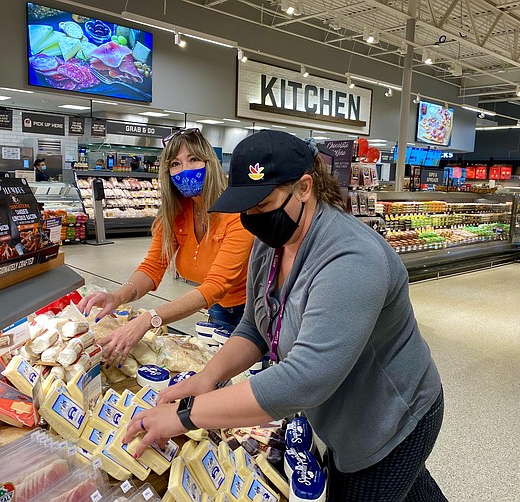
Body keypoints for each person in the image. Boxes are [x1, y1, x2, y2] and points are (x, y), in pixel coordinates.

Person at [123, 130, 446, 501]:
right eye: (246, 206)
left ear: (305, 187)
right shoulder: (272, 242)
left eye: (263, 204)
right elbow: (256, 326)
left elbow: (306, 378)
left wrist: (186, 416)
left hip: (388, 419)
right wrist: (207, 378)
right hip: (344, 410)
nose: (252, 218)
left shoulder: (351, 259)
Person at [79, 128, 254, 367]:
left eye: (193, 159)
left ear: (209, 162)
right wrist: (117, 296)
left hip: (252, 309)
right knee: (218, 369)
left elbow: (216, 285)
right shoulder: (175, 213)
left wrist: (149, 319)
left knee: (247, 373)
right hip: (218, 308)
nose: (185, 170)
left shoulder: (236, 213)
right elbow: (153, 267)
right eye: (175, 163)